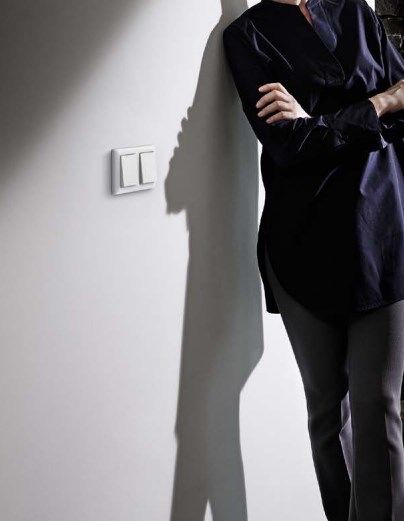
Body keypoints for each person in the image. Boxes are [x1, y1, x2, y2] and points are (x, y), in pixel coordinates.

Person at [223, 0, 404, 519]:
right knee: (328, 413)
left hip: (382, 234)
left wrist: (319, 122)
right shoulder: (248, 36)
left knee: (378, 407)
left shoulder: (355, 10)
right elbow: (288, 146)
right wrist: (378, 104)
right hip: (301, 245)